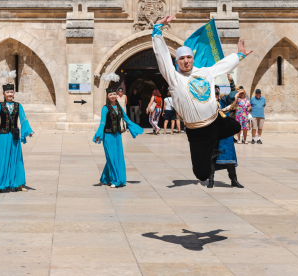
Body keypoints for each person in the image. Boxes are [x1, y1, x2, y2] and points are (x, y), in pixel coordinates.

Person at [152, 15, 252, 181]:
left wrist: (238, 56)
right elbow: (162, 58)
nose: (186, 61)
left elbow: (221, 66)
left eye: (189, 57)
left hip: (214, 122)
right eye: (182, 58)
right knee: (202, 174)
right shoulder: (175, 78)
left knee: (235, 126)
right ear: (177, 62)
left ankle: (213, 144)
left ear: (193, 58)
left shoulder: (205, 72)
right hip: (196, 131)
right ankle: (210, 150)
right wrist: (157, 31)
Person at [94, 87, 143, 188]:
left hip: (117, 135)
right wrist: (99, 134)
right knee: (111, 157)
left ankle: (106, 178)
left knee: (118, 157)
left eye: (114, 94)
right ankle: (115, 180)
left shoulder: (119, 107)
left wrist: (134, 128)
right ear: (107, 96)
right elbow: (102, 122)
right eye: (110, 94)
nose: (113, 96)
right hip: (108, 135)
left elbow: (126, 119)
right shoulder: (105, 108)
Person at [0, 84, 34, 193]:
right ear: (3, 94)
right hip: (3, 136)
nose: (10, 94)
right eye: (7, 92)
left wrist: (29, 131)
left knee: (16, 159)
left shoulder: (18, 106)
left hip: (14, 137)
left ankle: (18, 183)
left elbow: (23, 119)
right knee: (2, 160)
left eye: (11, 92)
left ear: (14, 93)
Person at [208, 87, 244, 188]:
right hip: (214, 134)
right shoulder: (207, 105)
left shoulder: (223, 101)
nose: (216, 94)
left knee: (229, 156)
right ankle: (211, 180)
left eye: (217, 92)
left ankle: (234, 180)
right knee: (212, 157)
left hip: (225, 135)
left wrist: (232, 83)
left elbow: (231, 96)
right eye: (214, 93)